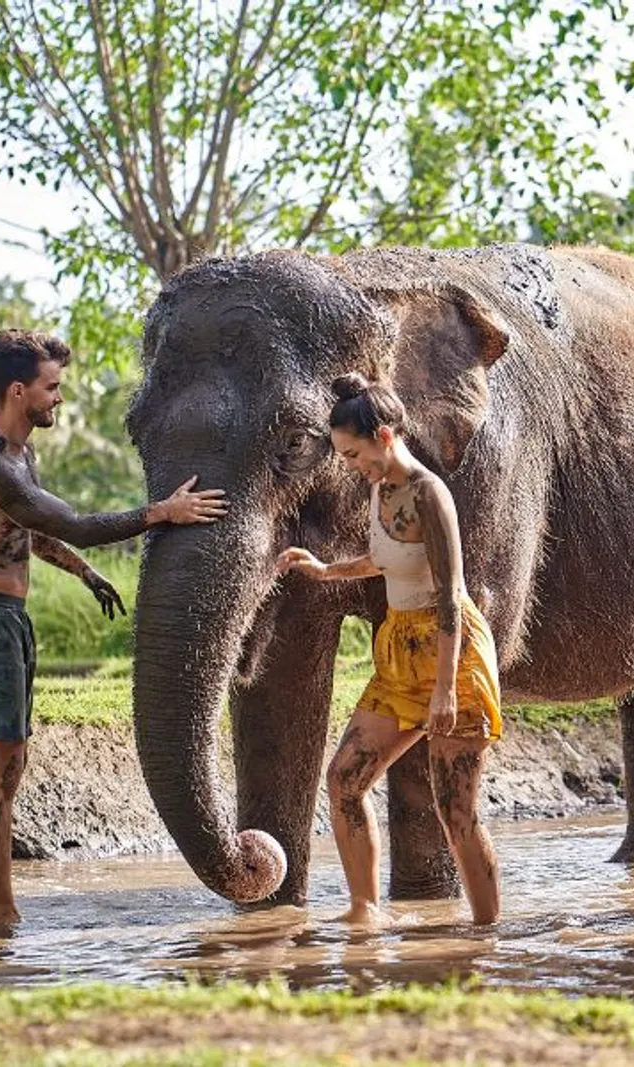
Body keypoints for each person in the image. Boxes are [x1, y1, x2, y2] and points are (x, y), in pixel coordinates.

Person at [0, 329, 227, 926]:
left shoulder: (21, 456)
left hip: (6, 620)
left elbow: (34, 531)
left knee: (9, 766)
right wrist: (160, 513)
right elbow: (71, 522)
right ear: (18, 391)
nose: (59, 398)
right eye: (51, 388)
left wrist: (85, 573)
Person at [278, 374, 503, 926]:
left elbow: (453, 594)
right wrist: (327, 570)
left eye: (354, 453)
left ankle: (486, 934)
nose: (352, 466)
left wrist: (447, 690)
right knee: (345, 781)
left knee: (457, 812)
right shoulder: (380, 486)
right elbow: (387, 560)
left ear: (382, 435)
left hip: (453, 652)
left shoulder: (430, 493)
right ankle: (364, 911)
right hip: (400, 650)